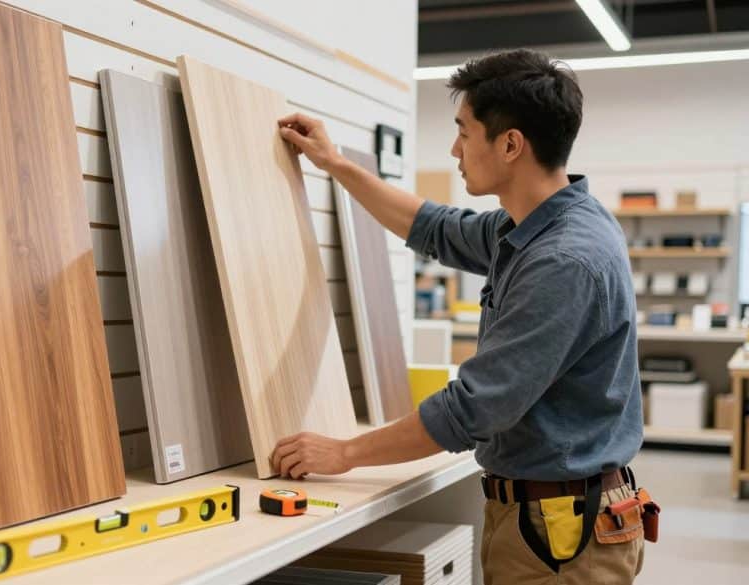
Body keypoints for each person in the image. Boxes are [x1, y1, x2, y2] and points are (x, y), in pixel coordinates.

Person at [271, 49, 647, 584]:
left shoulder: (563, 260)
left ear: (511, 144)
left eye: (464, 132)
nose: (454, 148)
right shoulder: (534, 226)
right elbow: (433, 227)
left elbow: (473, 409)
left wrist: (344, 452)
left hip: (561, 533)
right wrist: (336, 165)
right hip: (545, 513)